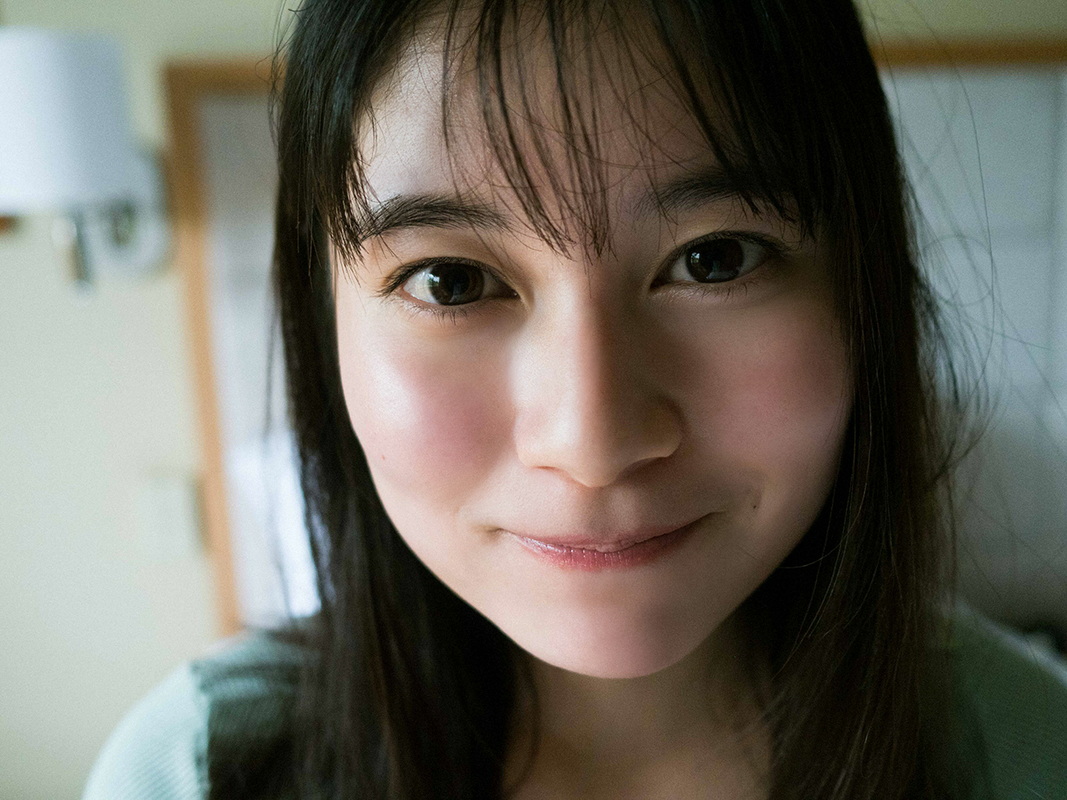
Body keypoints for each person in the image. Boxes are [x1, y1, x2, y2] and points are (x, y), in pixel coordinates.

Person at [84, 0, 1067, 798]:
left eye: (714, 259)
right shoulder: (195, 773)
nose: (592, 441)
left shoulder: (1032, 749)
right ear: (325, 322)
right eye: (451, 282)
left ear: (862, 292)